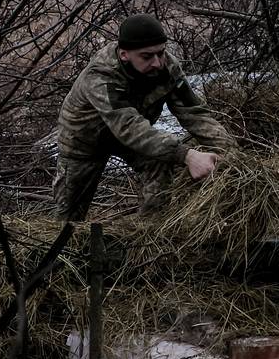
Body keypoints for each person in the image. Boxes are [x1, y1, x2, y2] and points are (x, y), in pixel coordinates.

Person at [52, 14, 236, 221]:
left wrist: (231, 153)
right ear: (124, 55)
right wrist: (187, 155)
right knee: (68, 216)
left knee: (160, 161)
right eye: (147, 57)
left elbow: (194, 112)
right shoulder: (101, 75)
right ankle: (64, 248)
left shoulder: (167, 68)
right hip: (84, 141)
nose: (157, 62)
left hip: (135, 135)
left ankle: (150, 234)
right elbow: (128, 126)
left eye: (161, 53)